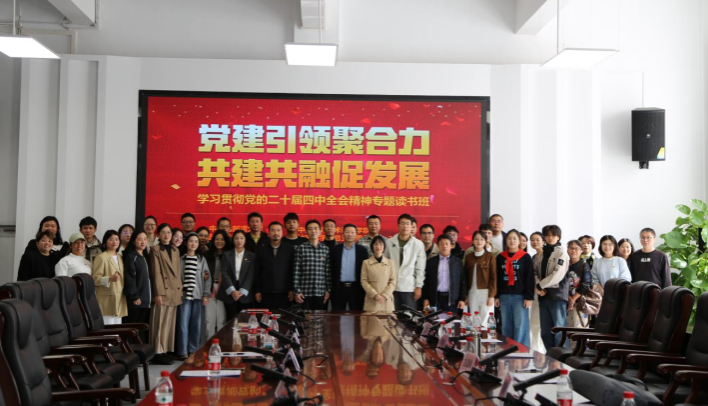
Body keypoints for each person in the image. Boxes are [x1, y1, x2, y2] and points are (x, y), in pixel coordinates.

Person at [149, 223, 183, 365]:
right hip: (163, 291)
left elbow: (178, 273)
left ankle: (165, 350)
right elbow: (156, 273)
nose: (166, 235)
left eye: (169, 232)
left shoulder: (175, 250)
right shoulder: (155, 249)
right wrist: (158, 293)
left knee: (169, 323)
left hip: (174, 291)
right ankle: (157, 352)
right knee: (159, 323)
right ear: (158, 235)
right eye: (163, 232)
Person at [495, 230, 534, 348]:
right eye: (509, 238)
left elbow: (530, 278)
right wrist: (496, 296)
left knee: (520, 325)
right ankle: (508, 349)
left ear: (519, 241)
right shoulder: (500, 257)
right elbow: (497, 278)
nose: (512, 241)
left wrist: (529, 297)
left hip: (520, 296)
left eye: (514, 238)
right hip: (504, 296)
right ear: (505, 241)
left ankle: (521, 350)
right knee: (506, 325)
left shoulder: (525, 257)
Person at [534, 225, 570, 350]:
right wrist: (538, 287)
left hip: (557, 296)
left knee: (559, 330)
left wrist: (540, 285)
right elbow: (535, 272)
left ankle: (562, 357)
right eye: (547, 235)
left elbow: (557, 274)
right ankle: (550, 355)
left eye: (553, 235)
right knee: (545, 331)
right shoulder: (541, 254)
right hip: (543, 296)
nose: (550, 238)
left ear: (558, 237)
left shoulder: (561, 253)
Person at [176, 233, 211, 360]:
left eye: (196, 241)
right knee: (183, 323)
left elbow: (207, 278)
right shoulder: (180, 259)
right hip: (184, 296)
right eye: (191, 241)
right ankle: (182, 351)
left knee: (196, 324)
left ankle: (193, 349)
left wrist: (206, 294)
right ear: (186, 243)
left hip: (198, 295)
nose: (193, 244)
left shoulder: (201, 260)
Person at [384, 214, 426, 310]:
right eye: (402, 223)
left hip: (409, 287)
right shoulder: (389, 243)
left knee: (409, 316)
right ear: (398, 226)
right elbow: (384, 265)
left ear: (412, 226)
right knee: (392, 316)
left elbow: (420, 268)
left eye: (407, 224)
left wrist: (418, 286)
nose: (405, 226)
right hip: (392, 287)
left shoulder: (418, 244)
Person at [255, 222, 295, 312]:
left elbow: (292, 271)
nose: (276, 233)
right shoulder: (262, 249)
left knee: (284, 318)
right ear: (269, 232)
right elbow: (257, 271)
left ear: (282, 232)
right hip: (266, 292)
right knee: (267, 318)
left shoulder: (289, 249)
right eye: (273, 230)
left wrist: (292, 289)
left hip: (284, 292)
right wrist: (257, 290)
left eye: (278, 230)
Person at [293, 220, 332, 310]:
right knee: (305, 317)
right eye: (310, 229)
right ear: (306, 231)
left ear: (320, 231)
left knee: (320, 317)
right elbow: (296, 272)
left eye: (315, 228)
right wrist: (297, 291)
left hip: (321, 292)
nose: (313, 231)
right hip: (304, 293)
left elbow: (328, 272)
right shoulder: (301, 248)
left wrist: (328, 290)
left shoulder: (325, 249)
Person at [422, 235, 466, 313]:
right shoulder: (431, 262)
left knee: (451, 320)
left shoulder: (457, 262)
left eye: (446, 244)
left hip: (452, 300)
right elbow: (426, 281)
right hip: (433, 299)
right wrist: (425, 298)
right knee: (431, 319)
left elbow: (462, 281)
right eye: (442, 244)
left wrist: (462, 299)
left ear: (451, 246)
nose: (444, 246)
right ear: (438, 246)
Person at [92, 230, 128, 325]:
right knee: (108, 327)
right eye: (111, 239)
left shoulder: (120, 257)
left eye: (116, 239)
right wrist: (109, 278)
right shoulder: (101, 257)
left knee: (117, 328)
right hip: (106, 299)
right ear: (105, 242)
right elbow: (95, 279)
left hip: (119, 298)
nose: (114, 242)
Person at [330, 224, 369, 311]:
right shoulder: (335, 250)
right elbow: (331, 269)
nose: (350, 234)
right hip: (339, 288)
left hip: (356, 288)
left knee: (357, 315)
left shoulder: (362, 251)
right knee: (337, 315)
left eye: (352, 232)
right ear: (343, 233)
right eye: (347, 232)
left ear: (356, 234)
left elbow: (366, 271)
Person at [122, 230, 151, 342]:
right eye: (140, 239)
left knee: (141, 330)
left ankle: (139, 350)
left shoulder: (145, 256)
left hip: (145, 300)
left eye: (145, 239)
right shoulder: (131, 257)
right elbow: (129, 278)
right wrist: (134, 296)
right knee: (132, 329)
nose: (143, 242)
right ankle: (129, 350)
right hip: (136, 300)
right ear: (133, 241)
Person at [221, 230, 256, 319]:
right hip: (230, 289)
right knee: (231, 319)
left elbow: (251, 274)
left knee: (244, 320)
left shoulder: (252, 256)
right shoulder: (226, 255)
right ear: (233, 240)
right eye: (236, 238)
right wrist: (232, 291)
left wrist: (242, 291)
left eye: (241, 238)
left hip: (245, 291)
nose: (239, 241)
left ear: (245, 240)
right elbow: (224, 273)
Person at [464, 231, 496, 327]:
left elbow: (494, 277)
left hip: (485, 292)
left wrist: (491, 296)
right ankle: (474, 336)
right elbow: (465, 277)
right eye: (476, 239)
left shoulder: (490, 256)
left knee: (485, 320)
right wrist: (466, 296)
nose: (479, 241)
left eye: (482, 239)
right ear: (472, 241)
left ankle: (485, 336)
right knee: (473, 319)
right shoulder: (469, 257)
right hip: (472, 292)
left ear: (486, 241)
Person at [204, 229, 231, 338]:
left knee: (221, 319)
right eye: (217, 239)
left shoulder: (229, 254)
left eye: (222, 239)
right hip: (210, 287)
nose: (219, 241)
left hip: (223, 288)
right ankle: (209, 343)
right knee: (209, 319)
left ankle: (220, 343)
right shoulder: (207, 254)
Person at [361, 236, 397, 312]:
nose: (378, 247)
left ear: (384, 247)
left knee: (387, 319)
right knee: (371, 319)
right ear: (372, 246)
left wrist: (385, 295)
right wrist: (375, 295)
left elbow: (393, 281)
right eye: (376, 244)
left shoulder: (390, 262)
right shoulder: (366, 263)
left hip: (386, 300)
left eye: (381, 244)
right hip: (372, 300)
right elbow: (364, 281)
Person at [565, 240, 593, 328]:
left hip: (580, 302)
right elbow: (560, 283)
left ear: (581, 251)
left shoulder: (584, 265)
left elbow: (586, 284)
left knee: (579, 328)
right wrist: (568, 298)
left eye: (576, 248)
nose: (574, 250)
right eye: (571, 248)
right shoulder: (564, 265)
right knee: (566, 329)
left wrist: (573, 299)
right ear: (567, 250)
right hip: (565, 301)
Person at [528, 231, 545, 353]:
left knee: (542, 323)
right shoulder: (533, 257)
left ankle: (541, 349)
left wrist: (540, 286)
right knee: (534, 321)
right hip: (535, 292)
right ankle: (535, 348)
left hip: (545, 292)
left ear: (543, 241)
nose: (534, 242)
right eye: (532, 240)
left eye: (537, 239)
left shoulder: (547, 256)